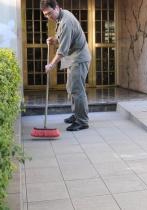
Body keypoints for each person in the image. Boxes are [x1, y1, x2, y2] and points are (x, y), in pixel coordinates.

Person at [40, 0, 91, 131]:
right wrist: (55, 39)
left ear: (57, 7)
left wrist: (51, 65)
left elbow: (62, 51)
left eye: (50, 13)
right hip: (72, 58)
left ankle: (82, 121)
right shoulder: (63, 15)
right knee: (71, 87)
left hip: (79, 58)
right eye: (45, 15)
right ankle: (76, 114)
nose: (48, 17)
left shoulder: (66, 22)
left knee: (77, 89)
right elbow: (64, 36)